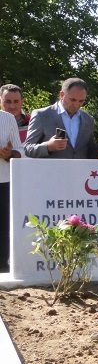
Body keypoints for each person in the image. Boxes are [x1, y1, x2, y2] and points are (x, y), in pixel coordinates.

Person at [25, 78, 98, 159]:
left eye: (81, 101)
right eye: (72, 100)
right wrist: (48, 147)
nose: (76, 104)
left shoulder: (88, 119)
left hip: (79, 171)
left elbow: (88, 152)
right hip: (51, 171)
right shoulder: (42, 115)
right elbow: (28, 149)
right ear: (62, 95)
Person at [0, 109, 22, 272]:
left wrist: (9, 153)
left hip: (3, 180)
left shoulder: (7, 119)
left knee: (3, 226)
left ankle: (2, 264)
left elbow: (19, 151)